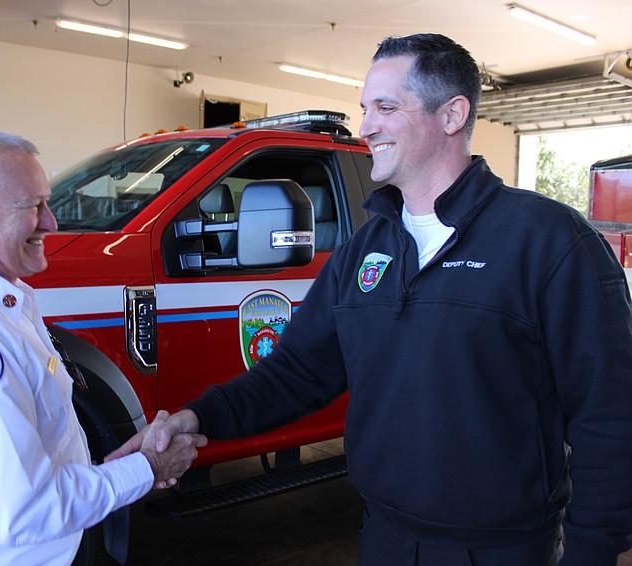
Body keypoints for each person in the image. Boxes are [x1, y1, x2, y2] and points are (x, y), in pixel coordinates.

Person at [108, 34, 632, 565]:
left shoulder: (549, 241)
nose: (366, 127)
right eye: (366, 108)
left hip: (501, 549)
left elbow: (610, 415)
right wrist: (198, 417)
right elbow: (296, 374)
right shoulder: (364, 249)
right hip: (383, 537)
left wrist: (592, 551)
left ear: (452, 115)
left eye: (386, 107)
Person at [0, 129, 206, 565]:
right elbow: (22, 512)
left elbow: (30, 460)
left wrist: (115, 468)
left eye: (47, 203)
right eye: (32, 206)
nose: (51, 222)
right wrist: (148, 468)